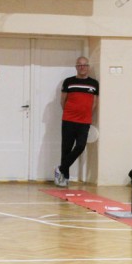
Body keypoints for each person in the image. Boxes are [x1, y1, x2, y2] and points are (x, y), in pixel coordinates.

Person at [54, 56, 99, 187]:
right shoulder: (69, 82)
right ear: (76, 67)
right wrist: (70, 113)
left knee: (80, 146)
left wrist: (86, 114)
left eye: (84, 65)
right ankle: (64, 178)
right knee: (66, 149)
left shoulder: (94, 83)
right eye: (79, 65)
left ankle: (61, 169)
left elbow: (94, 103)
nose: (82, 67)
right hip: (68, 120)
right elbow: (63, 100)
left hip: (84, 121)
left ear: (88, 67)